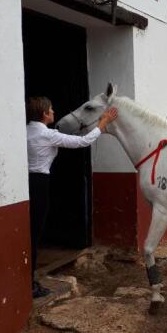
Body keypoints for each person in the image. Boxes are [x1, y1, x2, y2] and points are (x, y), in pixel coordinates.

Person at [25, 96, 118, 298]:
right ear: (44, 114)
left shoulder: (26, 131)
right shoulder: (48, 135)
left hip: (25, 183)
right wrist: (102, 123)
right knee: (35, 232)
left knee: (28, 231)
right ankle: (29, 284)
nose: (54, 112)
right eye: (51, 109)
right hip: (39, 183)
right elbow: (83, 141)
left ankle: (27, 278)